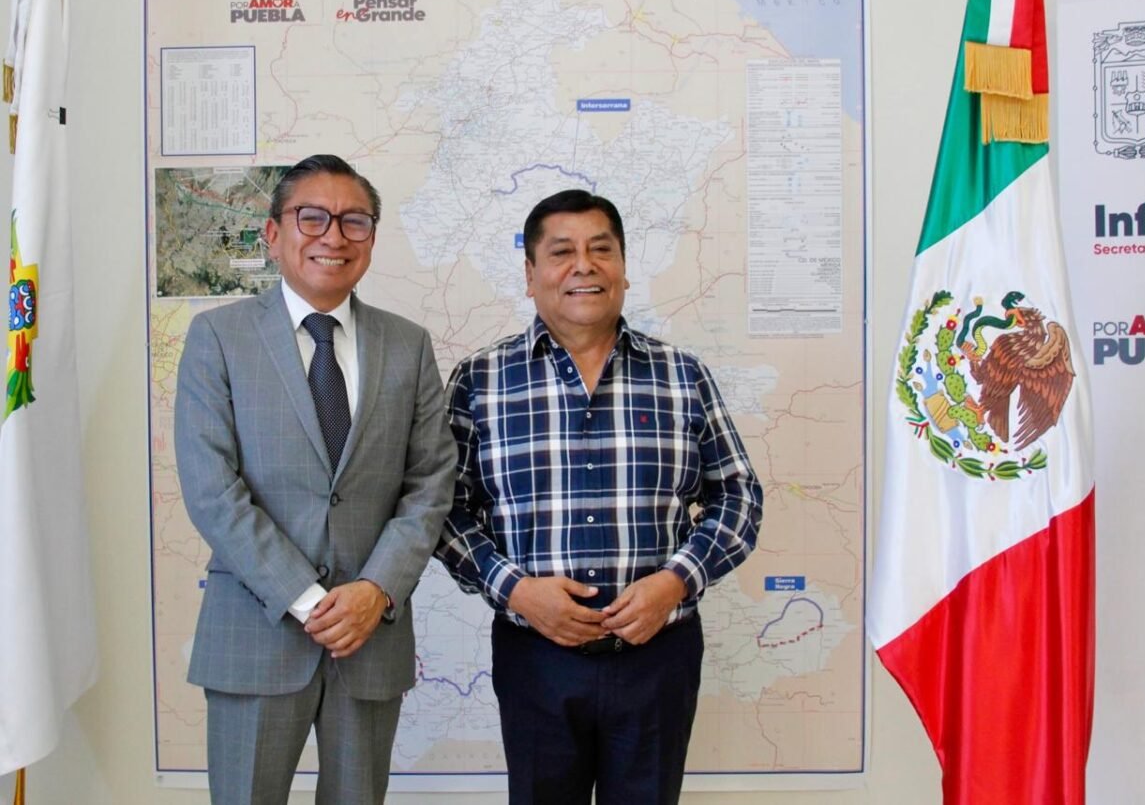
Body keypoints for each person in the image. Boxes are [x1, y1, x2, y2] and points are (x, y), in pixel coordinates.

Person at [436, 188, 763, 805]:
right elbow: (444, 510)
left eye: (601, 250)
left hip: (658, 658)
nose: (583, 266)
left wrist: (676, 580)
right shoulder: (480, 380)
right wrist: (515, 590)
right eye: (562, 252)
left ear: (623, 268)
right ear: (530, 275)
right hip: (535, 660)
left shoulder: (682, 375)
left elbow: (739, 496)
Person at [175, 154, 456, 805]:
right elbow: (213, 489)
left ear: (371, 238)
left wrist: (374, 591)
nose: (334, 235)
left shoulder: (408, 345)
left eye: (354, 221)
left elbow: (430, 482)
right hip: (256, 631)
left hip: (370, 636)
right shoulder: (218, 337)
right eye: (313, 218)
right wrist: (308, 599)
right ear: (274, 233)